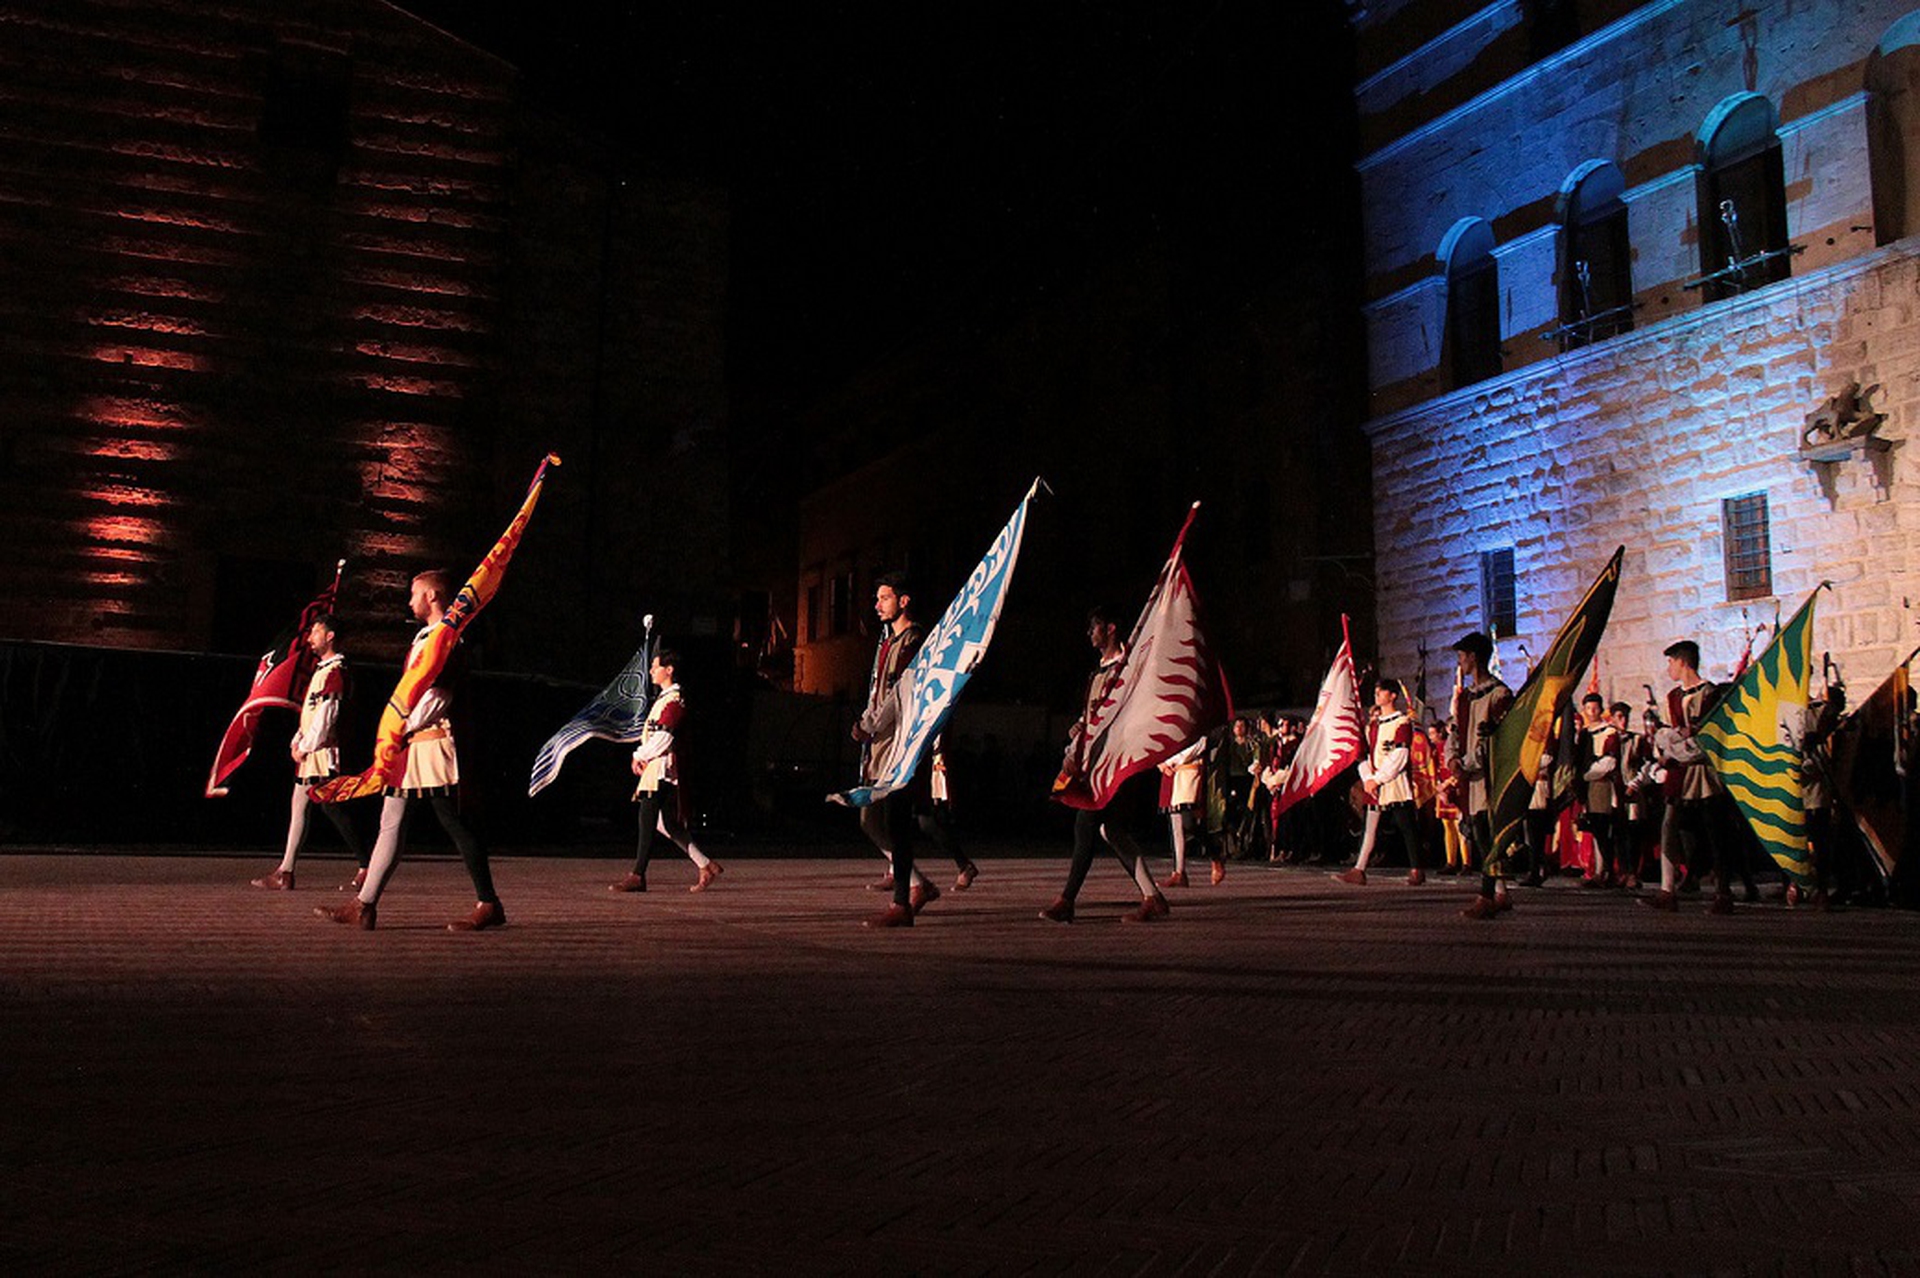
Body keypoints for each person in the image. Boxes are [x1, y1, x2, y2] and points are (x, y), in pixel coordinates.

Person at [316, 570, 503, 932]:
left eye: (415, 594)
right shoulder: (426, 638)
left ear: (432, 596)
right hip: (412, 745)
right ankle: (364, 904)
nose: (409, 601)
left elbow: (438, 696)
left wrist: (401, 726)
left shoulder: (448, 639)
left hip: (433, 743)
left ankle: (489, 903)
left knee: (454, 821)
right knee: (391, 821)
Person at [1039, 606, 1172, 924]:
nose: (1090, 633)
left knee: (1086, 822)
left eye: (1095, 627)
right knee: (1111, 830)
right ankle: (1153, 897)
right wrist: (1080, 727)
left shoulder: (1128, 669)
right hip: (1096, 762)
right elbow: (1096, 714)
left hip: (1118, 762)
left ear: (1111, 628)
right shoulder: (1098, 672)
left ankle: (1067, 900)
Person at [251, 614, 368, 890]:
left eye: (316, 631)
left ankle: (368, 863)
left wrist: (305, 746)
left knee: (332, 807)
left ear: (330, 636)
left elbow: (327, 718)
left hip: (323, 755)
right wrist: (298, 741)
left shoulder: (336, 672)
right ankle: (286, 871)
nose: (310, 637)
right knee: (301, 806)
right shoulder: (322, 670)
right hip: (311, 754)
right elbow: (311, 714)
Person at [854, 572, 937, 928]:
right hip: (879, 744)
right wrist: (865, 722)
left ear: (903, 601)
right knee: (870, 819)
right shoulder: (888, 642)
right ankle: (917, 885)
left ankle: (902, 901)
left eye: (884, 598)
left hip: (901, 743)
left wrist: (871, 724)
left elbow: (901, 693)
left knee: (897, 820)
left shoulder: (914, 641)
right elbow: (878, 691)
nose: (877, 605)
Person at [607, 647, 720, 894]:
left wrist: (640, 755)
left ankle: (638, 875)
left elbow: (664, 736)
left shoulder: (674, 700)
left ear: (669, 670)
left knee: (647, 817)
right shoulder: (664, 699)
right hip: (655, 766)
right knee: (664, 823)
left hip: (662, 767)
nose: (651, 671)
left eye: (655, 666)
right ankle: (705, 864)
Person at [1645, 640, 1731, 914]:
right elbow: (1670, 735)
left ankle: (1723, 893)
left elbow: (1707, 738)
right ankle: (1667, 890)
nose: (1669, 668)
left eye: (1671, 662)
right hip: (1679, 773)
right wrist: (1674, 741)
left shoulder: (1710, 694)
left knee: (1715, 832)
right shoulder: (1673, 696)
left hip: (1704, 772)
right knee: (1669, 828)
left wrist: (1680, 741)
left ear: (1683, 662)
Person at [1449, 632, 1515, 920]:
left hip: (1489, 776)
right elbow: (1455, 729)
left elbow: (1497, 739)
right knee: (1480, 835)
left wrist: (1468, 763)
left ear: (1474, 657)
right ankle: (1501, 892)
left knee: (1485, 835)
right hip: (1470, 776)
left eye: (1462, 657)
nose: (1460, 663)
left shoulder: (1500, 694)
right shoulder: (1466, 697)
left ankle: (1487, 896)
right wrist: (1452, 758)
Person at [1332, 677, 1423, 885]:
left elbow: (1400, 755)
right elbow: (1366, 755)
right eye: (1376, 691)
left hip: (1395, 782)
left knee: (1406, 826)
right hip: (1374, 783)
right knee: (1369, 827)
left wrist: (1379, 779)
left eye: (1381, 691)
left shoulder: (1402, 722)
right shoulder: (1373, 725)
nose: (1377, 694)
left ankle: (1417, 868)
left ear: (1393, 696)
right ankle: (1359, 869)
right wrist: (1368, 779)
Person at [1158, 737, 1221, 887]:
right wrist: (1161, 762)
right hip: (1172, 773)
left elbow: (1198, 745)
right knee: (1176, 826)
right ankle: (1179, 872)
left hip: (1187, 772)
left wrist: (1170, 761)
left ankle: (1215, 854)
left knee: (1189, 823)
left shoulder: (1198, 730)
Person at [1574, 693, 1623, 887]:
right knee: (1595, 829)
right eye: (1588, 708)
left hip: (1602, 785)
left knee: (1603, 829)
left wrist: (1586, 775)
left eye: (1595, 708)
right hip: (1589, 788)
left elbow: (1610, 761)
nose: (1592, 712)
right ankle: (1599, 871)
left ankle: (1608, 871)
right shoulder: (1585, 733)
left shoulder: (1609, 731)